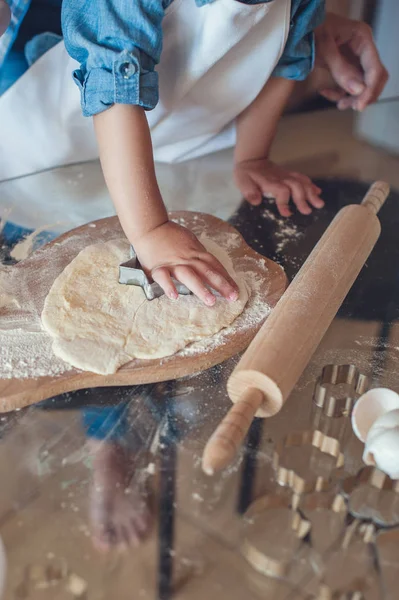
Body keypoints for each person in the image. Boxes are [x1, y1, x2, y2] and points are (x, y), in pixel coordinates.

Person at [0, 2, 388, 303]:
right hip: (46, 153)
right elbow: (115, 90)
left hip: (175, 146)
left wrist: (252, 158)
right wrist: (151, 229)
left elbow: (286, 60)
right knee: (42, 276)